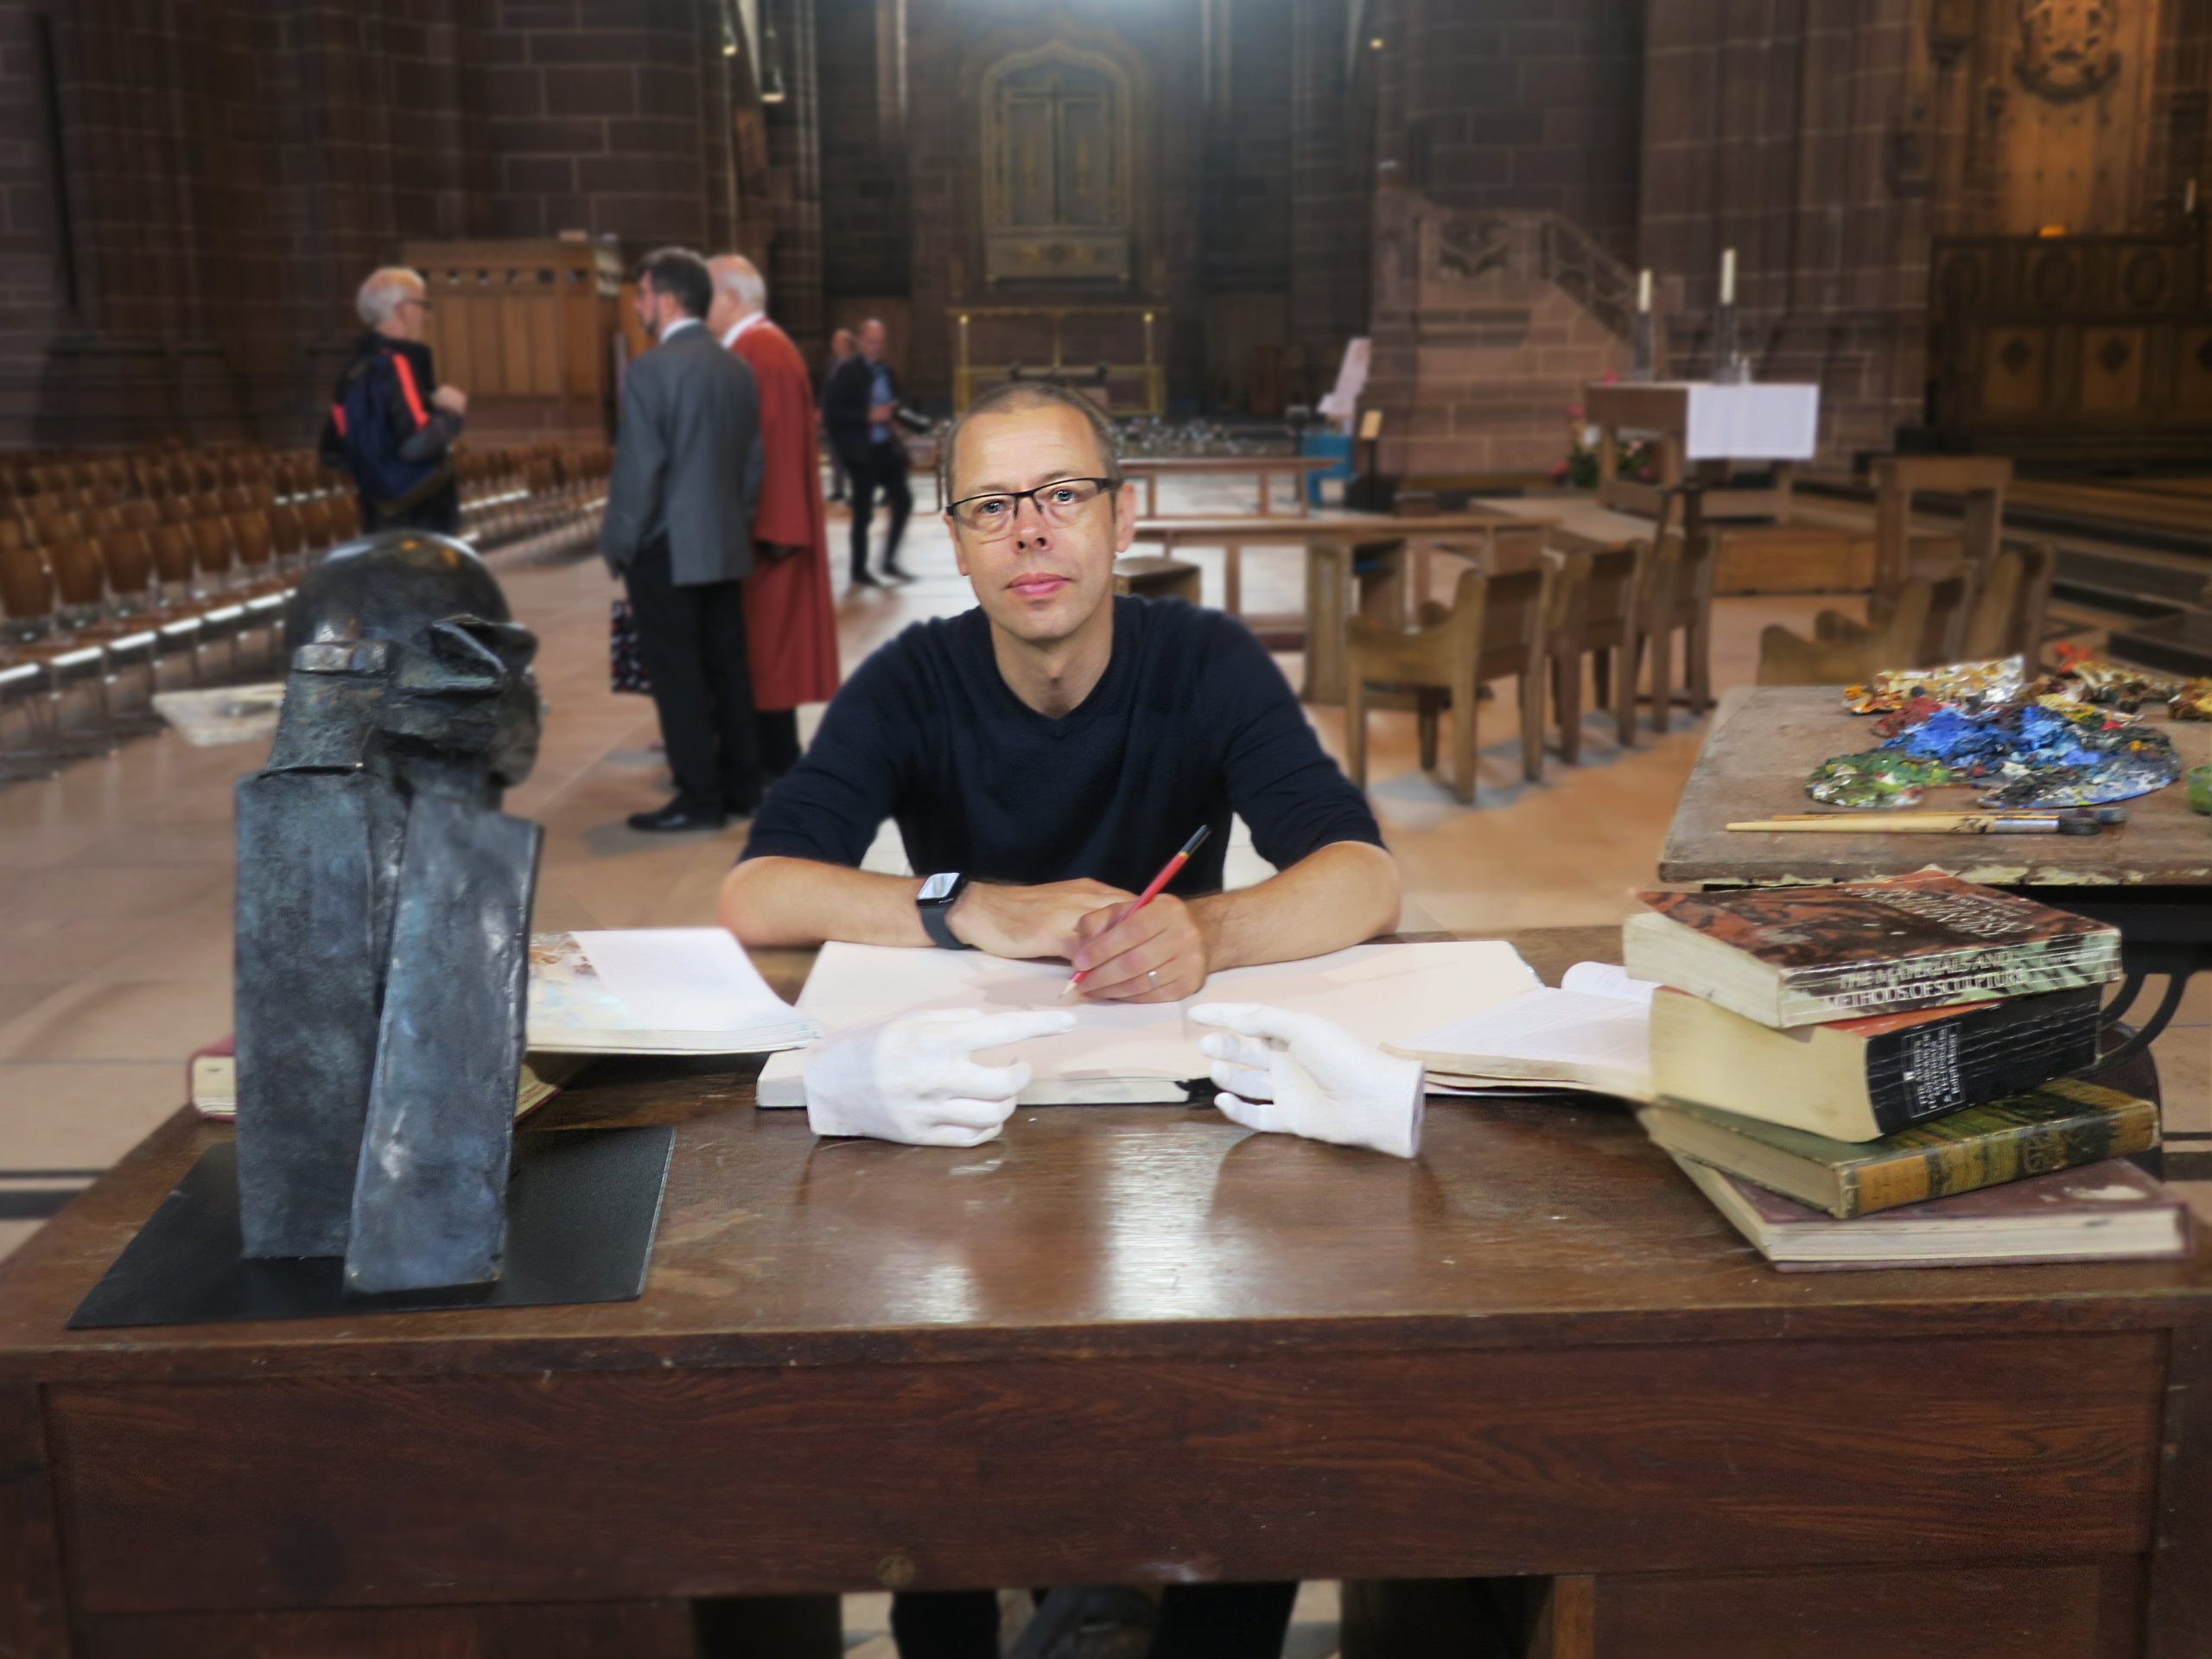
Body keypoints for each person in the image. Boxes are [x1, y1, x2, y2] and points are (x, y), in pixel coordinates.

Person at [720, 377, 1398, 1659]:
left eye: (1063, 495)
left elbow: (1366, 872)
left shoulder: (1204, 662)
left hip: (1176, 1105)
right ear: (956, 538)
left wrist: (1215, 928)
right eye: (990, 505)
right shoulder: (913, 678)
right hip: (971, 1114)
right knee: (929, 1388)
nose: (1031, 531)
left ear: (1122, 518)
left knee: (1260, 1367)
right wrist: (964, 903)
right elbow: (760, 889)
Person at [601, 247, 767, 833]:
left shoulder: (650, 369)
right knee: (727, 668)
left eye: (643, 295)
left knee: (678, 676)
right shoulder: (734, 367)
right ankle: (745, 789)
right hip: (722, 542)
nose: (640, 306)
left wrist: (618, 543)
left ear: (666, 299)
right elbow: (752, 467)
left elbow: (639, 472)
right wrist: (731, 522)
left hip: (665, 549)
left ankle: (699, 800)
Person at [707, 254, 841, 781]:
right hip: (757, 530)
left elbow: (778, 445)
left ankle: (774, 759)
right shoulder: (752, 348)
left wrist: (772, 530)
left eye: (707, 295)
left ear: (733, 298)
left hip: (766, 533)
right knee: (762, 653)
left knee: (769, 654)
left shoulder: (760, 351)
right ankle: (762, 753)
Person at [320, 267, 468, 535]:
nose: (425, 316)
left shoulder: (352, 371)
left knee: (390, 576)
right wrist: (451, 413)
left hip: (378, 510)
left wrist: (377, 475)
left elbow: (331, 451)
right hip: (419, 511)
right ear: (403, 310)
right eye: (422, 305)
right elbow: (417, 442)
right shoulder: (397, 364)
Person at [820, 318, 914, 587]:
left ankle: (889, 561)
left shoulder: (887, 371)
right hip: (861, 452)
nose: (877, 347)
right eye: (872, 342)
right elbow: (833, 412)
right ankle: (859, 569)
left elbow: (894, 403)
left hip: (886, 447)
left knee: (903, 500)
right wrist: (868, 416)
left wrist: (894, 417)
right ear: (861, 342)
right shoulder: (847, 371)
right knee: (863, 512)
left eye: (881, 343)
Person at [819, 327, 855, 504]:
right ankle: (838, 489)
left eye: (840, 342)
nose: (836, 345)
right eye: (835, 342)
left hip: (850, 415)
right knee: (836, 454)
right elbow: (828, 390)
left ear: (848, 344)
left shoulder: (855, 364)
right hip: (835, 416)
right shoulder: (831, 363)